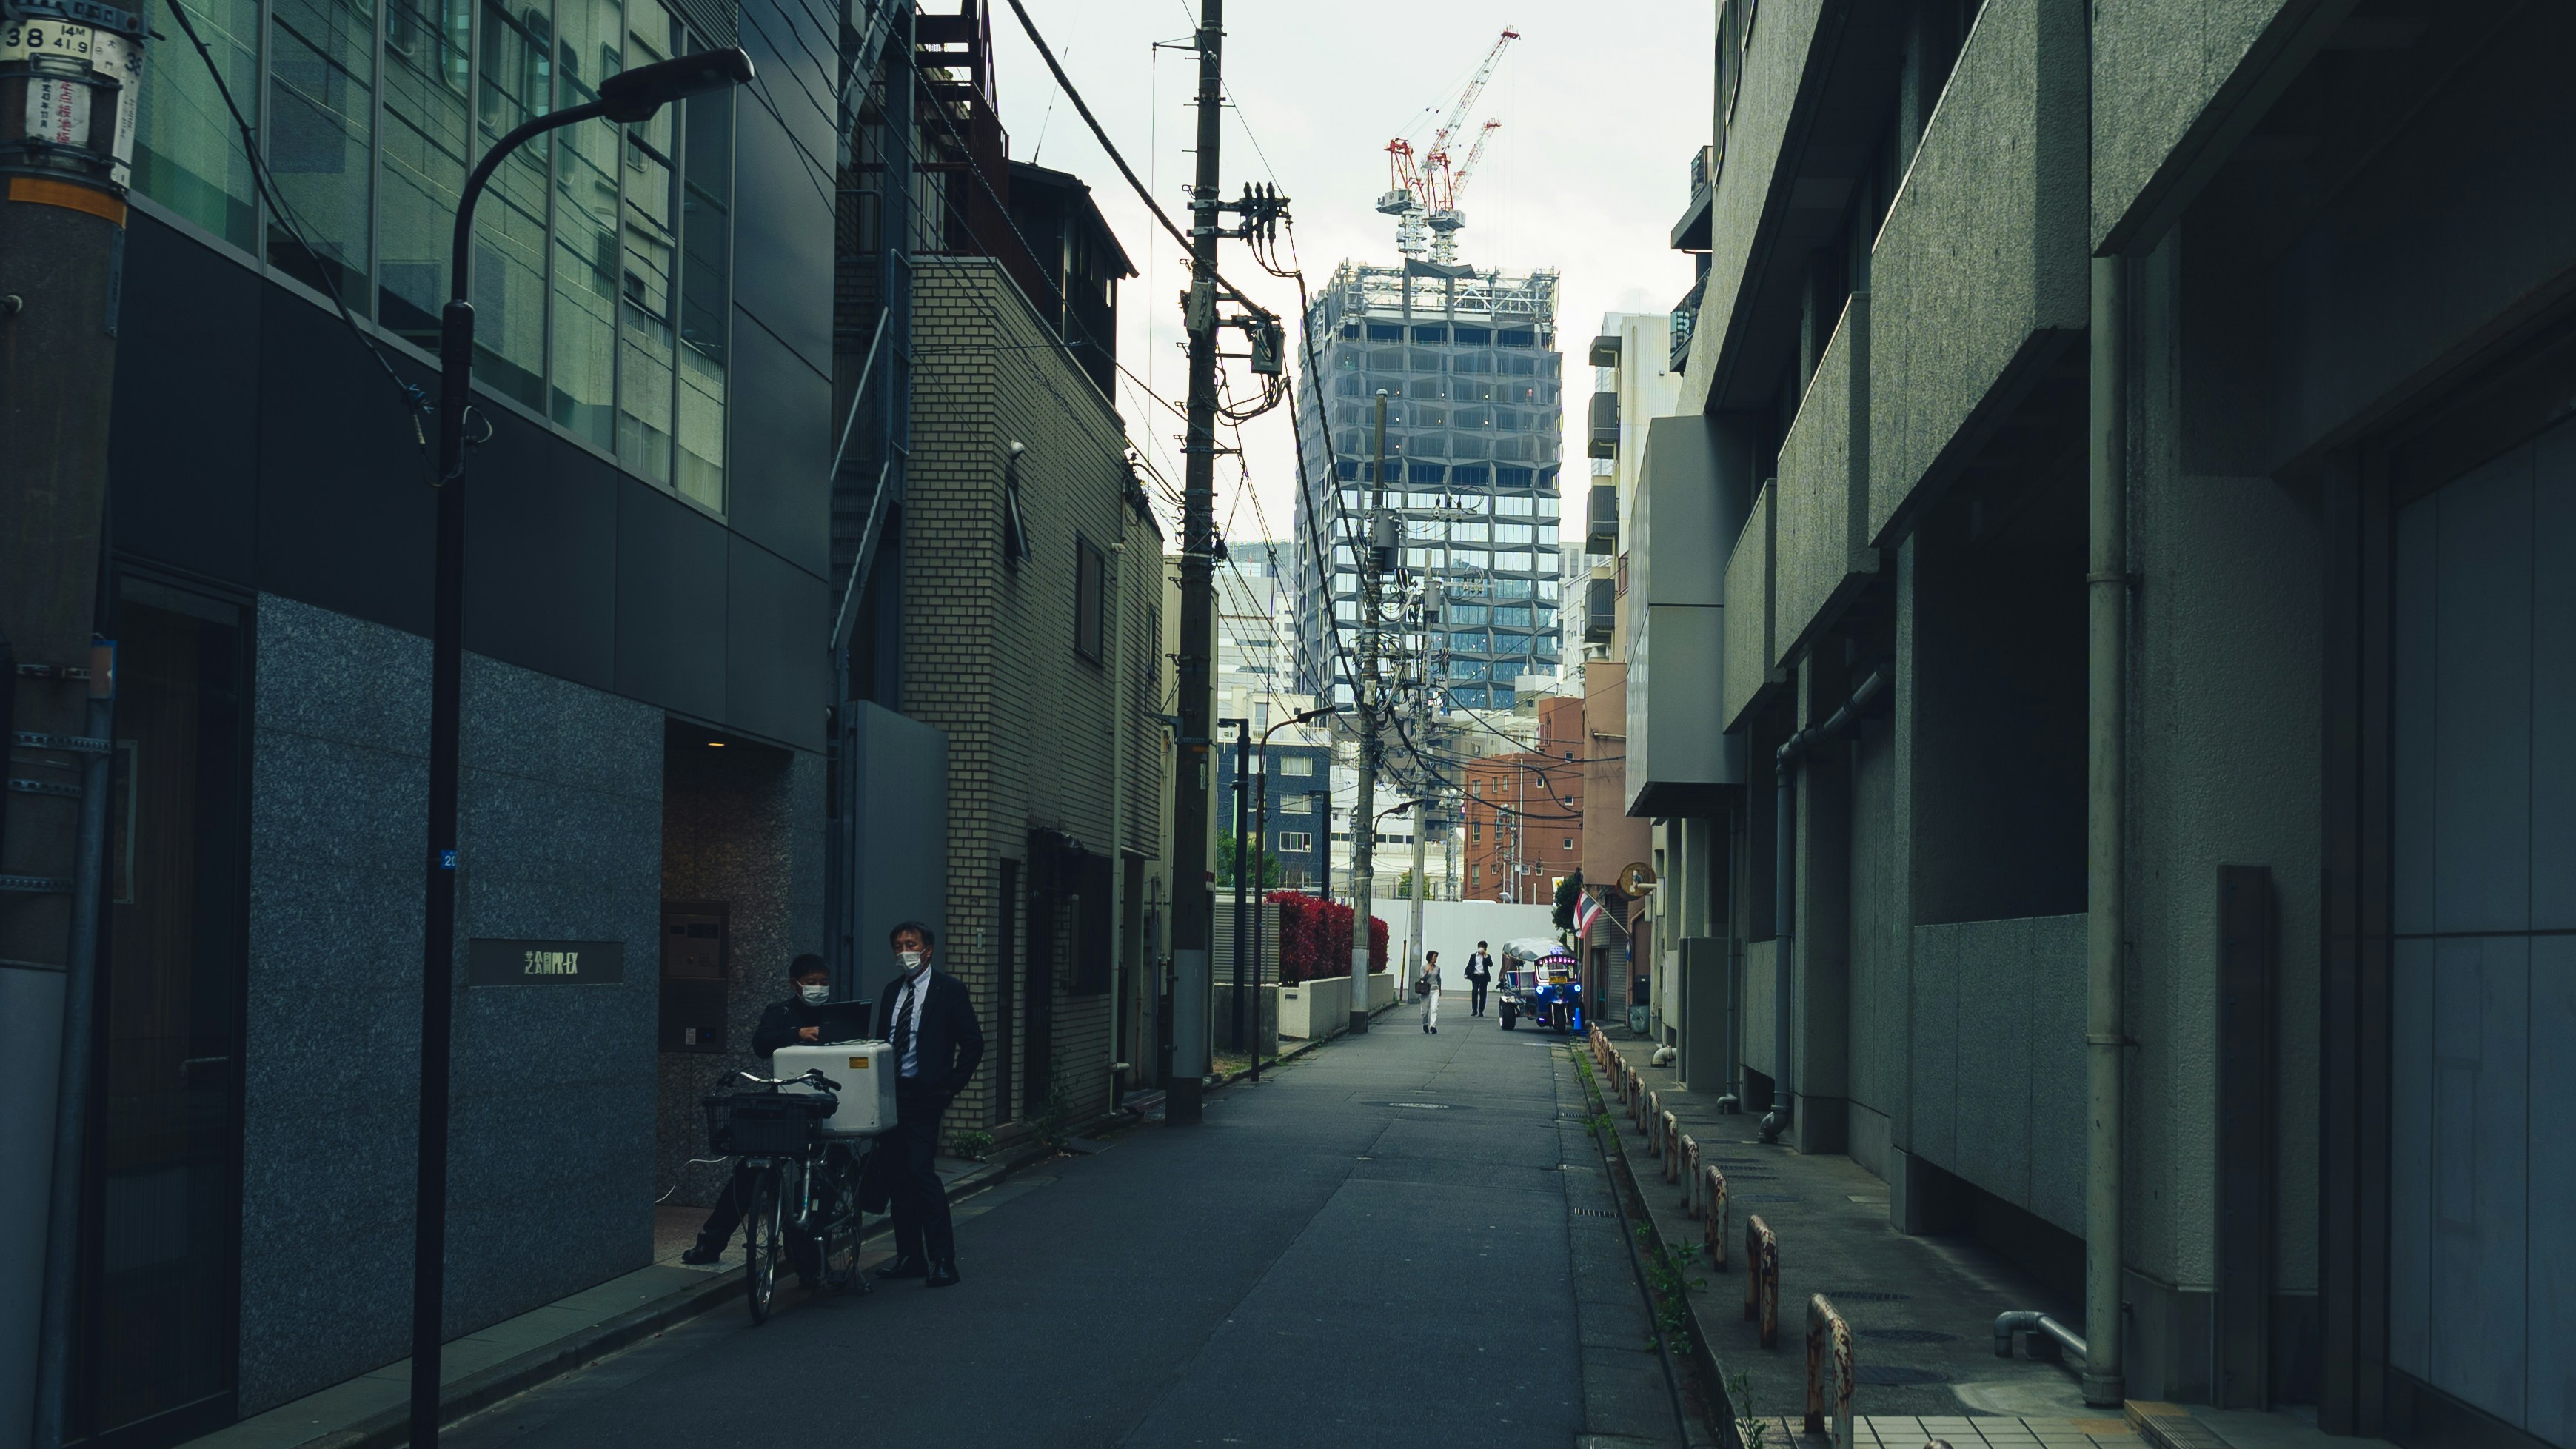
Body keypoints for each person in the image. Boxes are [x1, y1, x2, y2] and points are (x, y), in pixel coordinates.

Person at [680, 954, 834, 1266]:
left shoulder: (837, 1014)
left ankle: (811, 1257)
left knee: (821, 1176)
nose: (818, 988)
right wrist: (796, 1034)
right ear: (795, 984)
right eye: (811, 983)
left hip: (825, 1104)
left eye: (823, 983)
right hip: (785, 1100)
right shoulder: (780, 1012)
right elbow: (761, 1044)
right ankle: (711, 1243)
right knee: (750, 1170)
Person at [872, 920, 984, 1288]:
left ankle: (944, 1259)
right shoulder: (892, 992)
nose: (905, 951)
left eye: (911, 944)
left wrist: (950, 1087)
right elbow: (883, 1041)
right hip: (892, 1096)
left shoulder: (948, 990)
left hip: (926, 1096)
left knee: (921, 1173)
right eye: (899, 945)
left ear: (927, 950)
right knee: (898, 1178)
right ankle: (910, 1256)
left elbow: (973, 1043)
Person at [1465, 941, 1494, 1017]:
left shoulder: (1487, 956)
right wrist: (1466, 973)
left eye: (1483, 947)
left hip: (1484, 977)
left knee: (1483, 994)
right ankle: (1474, 1009)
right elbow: (1470, 965)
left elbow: (1490, 964)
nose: (1481, 948)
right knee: (1474, 992)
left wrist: (1485, 956)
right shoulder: (1473, 956)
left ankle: (1481, 1011)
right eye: (1480, 947)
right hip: (1475, 976)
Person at [1419, 949, 1442, 1034]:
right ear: (1430, 957)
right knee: (1425, 1011)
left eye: (1436, 957)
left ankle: (1433, 1026)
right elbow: (1422, 978)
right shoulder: (1423, 967)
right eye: (1434, 957)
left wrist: (1440, 989)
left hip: (1435, 989)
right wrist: (1427, 972)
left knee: (1434, 1008)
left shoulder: (1438, 968)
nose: (1436, 959)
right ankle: (1425, 1023)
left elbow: (1439, 979)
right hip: (1425, 990)